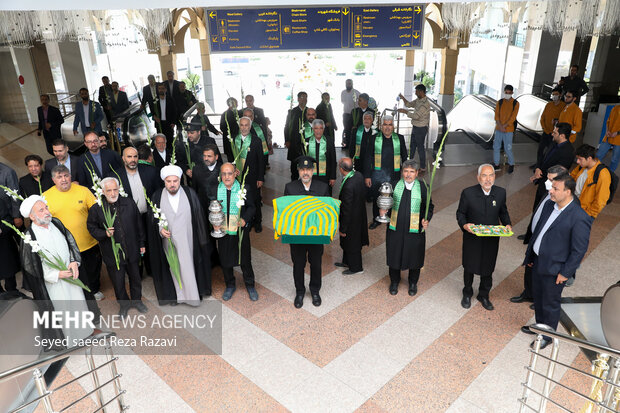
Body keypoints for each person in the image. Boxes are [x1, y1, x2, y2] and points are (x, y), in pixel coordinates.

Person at [522, 174, 591, 349]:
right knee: (538, 298)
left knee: (550, 303)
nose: (550, 191)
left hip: (555, 269)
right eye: (551, 187)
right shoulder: (549, 206)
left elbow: (579, 250)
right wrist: (531, 256)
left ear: (568, 192)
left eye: (555, 189)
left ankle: (547, 335)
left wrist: (565, 273)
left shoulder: (579, 217)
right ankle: (540, 327)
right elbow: (539, 233)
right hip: (538, 262)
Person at [19, 195, 95, 344]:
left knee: (79, 305)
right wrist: (56, 274)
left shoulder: (56, 223)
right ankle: (71, 340)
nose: (47, 212)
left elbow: (71, 243)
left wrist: (74, 262)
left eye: (46, 207)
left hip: (71, 275)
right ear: (32, 217)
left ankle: (86, 332)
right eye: (41, 210)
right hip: (54, 283)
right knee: (64, 310)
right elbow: (32, 267)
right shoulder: (29, 237)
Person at [146, 165, 212, 305]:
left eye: (175, 181)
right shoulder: (157, 196)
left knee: (189, 266)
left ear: (180, 180)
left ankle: (192, 296)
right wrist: (160, 230)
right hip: (168, 242)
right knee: (173, 266)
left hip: (188, 240)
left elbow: (199, 217)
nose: (172, 184)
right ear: (164, 181)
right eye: (169, 181)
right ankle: (178, 295)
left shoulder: (190, 193)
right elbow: (152, 220)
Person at [87, 177, 147, 317]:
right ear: (102, 191)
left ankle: (137, 301)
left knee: (135, 278)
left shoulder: (129, 202)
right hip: (112, 253)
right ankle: (124, 305)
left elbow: (139, 224)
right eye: (109, 190)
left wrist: (142, 243)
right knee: (118, 282)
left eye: (115, 189)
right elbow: (91, 227)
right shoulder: (97, 208)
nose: (113, 193)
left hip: (131, 249)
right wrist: (104, 233)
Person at [456, 164, 512, 311]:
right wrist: (464, 225)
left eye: (491, 175)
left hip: (491, 238)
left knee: (488, 267)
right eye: (484, 175)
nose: (488, 179)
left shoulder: (500, 193)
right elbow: (460, 213)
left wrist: (507, 224)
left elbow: (503, 212)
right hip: (472, 237)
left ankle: (484, 295)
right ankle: (467, 292)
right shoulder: (468, 193)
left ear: (495, 176)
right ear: (478, 177)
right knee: (469, 265)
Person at [44, 165, 103, 301]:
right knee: (74, 271)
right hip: (65, 246)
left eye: (66, 176)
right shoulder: (46, 196)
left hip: (88, 241)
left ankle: (94, 290)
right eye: (59, 177)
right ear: (53, 180)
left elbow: (96, 213)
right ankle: (81, 293)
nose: (63, 179)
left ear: (70, 176)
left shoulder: (83, 191)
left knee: (93, 268)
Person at [511, 165, 568, 304]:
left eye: (551, 180)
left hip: (548, 248)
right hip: (535, 239)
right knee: (530, 270)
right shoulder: (548, 193)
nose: (548, 183)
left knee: (542, 275)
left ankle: (539, 300)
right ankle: (528, 294)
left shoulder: (566, 203)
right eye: (547, 179)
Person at [284, 156, 330, 308]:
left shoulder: (323, 187)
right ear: (298, 170)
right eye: (302, 169)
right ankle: (299, 292)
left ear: (313, 171)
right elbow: (285, 213)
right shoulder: (290, 187)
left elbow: (328, 212)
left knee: (316, 263)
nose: (305, 172)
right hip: (297, 235)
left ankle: (315, 291)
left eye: (308, 169)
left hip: (316, 235)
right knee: (298, 264)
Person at [383, 160, 433, 295]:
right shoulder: (393, 185)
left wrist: (426, 219)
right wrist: (383, 211)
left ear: (417, 173)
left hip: (415, 230)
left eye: (411, 171)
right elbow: (384, 202)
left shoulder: (424, 187)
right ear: (402, 172)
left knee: (414, 256)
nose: (408, 174)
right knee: (394, 254)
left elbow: (430, 207)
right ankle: (394, 281)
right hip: (395, 229)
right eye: (405, 171)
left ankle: (412, 283)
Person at [212, 163, 258, 301]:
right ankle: (230, 285)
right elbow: (210, 210)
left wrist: (244, 219)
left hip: (240, 231)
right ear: (220, 175)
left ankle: (250, 285)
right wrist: (214, 224)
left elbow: (252, 207)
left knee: (245, 259)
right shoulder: (215, 190)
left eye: (229, 173)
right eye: (224, 174)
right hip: (223, 231)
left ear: (235, 174)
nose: (227, 177)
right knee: (225, 260)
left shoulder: (244, 188)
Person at [114, 146, 161, 278]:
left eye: (135, 156)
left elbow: (158, 192)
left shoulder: (151, 171)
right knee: (133, 244)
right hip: (129, 218)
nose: (133, 160)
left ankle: (152, 270)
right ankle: (137, 273)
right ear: (123, 158)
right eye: (129, 157)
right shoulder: (116, 176)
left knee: (151, 243)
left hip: (149, 215)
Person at [527, 122, 576, 227]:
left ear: (562, 136)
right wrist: (538, 169)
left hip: (551, 186)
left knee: (544, 210)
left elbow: (558, 173)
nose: (552, 134)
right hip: (542, 182)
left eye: (555, 132)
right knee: (537, 208)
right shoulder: (554, 143)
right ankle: (531, 232)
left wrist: (541, 174)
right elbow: (543, 158)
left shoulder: (568, 152)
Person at [363, 115, 408, 230]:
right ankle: (376, 219)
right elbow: (368, 158)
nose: (387, 127)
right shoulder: (374, 139)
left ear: (393, 126)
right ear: (381, 126)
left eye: (390, 124)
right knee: (377, 198)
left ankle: (391, 219)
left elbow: (405, 158)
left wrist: (406, 174)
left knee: (394, 197)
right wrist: (367, 176)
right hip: (377, 175)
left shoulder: (400, 138)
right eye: (385, 124)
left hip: (394, 174)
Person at [336, 157, 368, 275]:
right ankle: (346, 262)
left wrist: (343, 228)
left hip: (351, 220)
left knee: (352, 243)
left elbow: (346, 209)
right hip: (359, 214)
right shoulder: (358, 175)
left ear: (341, 168)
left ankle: (356, 268)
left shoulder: (348, 186)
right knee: (347, 242)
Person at [234, 117, 265, 232]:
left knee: (255, 200)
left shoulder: (256, 140)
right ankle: (246, 220)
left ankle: (258, 222)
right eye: (242, 125)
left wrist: (260, 178)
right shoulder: (234, 140)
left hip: (253, 177)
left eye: (246, 125)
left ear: (250, 126)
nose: (244, 127)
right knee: (242, 200)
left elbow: (261, 160)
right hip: (238, 177)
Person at [570, 144, 612, 219]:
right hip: (573, 204)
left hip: (585, 212)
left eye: (580, 159)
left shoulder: (603, 174)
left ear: (589, 158)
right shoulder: (582, 167)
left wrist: (589, 214)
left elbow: (601, 199)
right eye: (577, 159)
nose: (577, 162)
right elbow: (571, 178)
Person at [398, 84, 431, 171]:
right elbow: (409, 104)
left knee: (420, 148)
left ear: (421, 92)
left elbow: (416, 116)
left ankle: (423, 167)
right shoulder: (418, 100)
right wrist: (402, 98)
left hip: (421, 129)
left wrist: (405, 112)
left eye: (416, 92)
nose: (415, 93)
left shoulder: (425, 104)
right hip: (416, 127)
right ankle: (410, 163)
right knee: (412, 146)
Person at [0, 162, 21, 294]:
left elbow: (14, 196)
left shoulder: (7, 171)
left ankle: (12, 290)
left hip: (8, 220)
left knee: (10, 257)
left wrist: (16, 215)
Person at [306, 119, 337, 195]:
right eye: (316, 128)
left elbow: (333, 160)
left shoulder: (329, 140)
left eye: (321, 128)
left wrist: (333, 177)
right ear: (312, 129)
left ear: (323, 129)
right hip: (311, 175)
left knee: (326, 195)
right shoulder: (307, 141)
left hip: (326, 175)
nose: (318, 131)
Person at [493, 85, 519, 173]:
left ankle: (511, 164)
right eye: (506, 92)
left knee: (508, 148)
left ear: (512, 93)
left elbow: (513, 117)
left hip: (508, 130)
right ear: (504, 92)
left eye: (509, 93)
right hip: (499, 129)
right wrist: (500, 126)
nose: (507, 94)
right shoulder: (500, 102)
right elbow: (496, 115)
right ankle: (496, 164)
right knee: (496, 147)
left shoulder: (515, 103)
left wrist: (504, 126)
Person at [536, 88, 566, 166]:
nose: (554, 96)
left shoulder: (563, 106)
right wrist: (544, 127)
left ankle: (546, 166)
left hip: (555, 134)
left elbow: (562, 120)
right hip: (546, 132)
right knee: (540, 150)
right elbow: (543, 117)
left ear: (560, 95)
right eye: (553, 94)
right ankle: (538, 165)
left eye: (556, 94)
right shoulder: (549, 104)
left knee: (550, 151)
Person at [284, 91, 309, 180]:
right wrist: (287, 140)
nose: (304, 99)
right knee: (294, 163)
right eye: (302, 97)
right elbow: (287, 126)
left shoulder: (309, 111)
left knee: (306, 162)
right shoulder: (292, 112)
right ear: (298, 99)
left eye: (306, 97)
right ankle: (294, 180)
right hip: (294, 141)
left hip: (307, 142)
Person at [193, 144, 221, 210]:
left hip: (219, 206)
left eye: (209, 156)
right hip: (202, 206)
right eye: (204, 156)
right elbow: (195, 189)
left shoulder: (223, 169)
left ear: (216, 157)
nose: (206, 159)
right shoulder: (196, 169)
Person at [596, 104, 620, 172]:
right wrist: (607, 131)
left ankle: (610, 174)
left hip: (618, 139)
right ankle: (593, 170)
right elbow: (608, 121)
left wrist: (617, 133)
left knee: (614, 159)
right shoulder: (615, 108)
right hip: (608, 136)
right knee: (599, 154)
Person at [153, 83, 177, 149]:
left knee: (169, 142)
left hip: (169, 124)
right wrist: (154, 117)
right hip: (159, 124)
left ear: (165, 90)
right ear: (157, 90)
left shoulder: (170, 99)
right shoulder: (155, 100)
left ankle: (170, 156)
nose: (161, 90)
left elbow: (174, 111)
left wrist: (173, 122)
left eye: (163, 88)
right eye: (159, 89)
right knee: (160, 142)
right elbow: (152, 112)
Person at [220, 97, 243, 162]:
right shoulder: (224, 114)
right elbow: (222, 127)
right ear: (230, 104)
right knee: (231, 160)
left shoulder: (240, 113)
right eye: (236, 103)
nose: (237, 105)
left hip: (239, 140)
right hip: (229, 141)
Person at [341, 79, 359, 148]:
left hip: (354, 115)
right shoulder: (343, 92)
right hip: (346, 114)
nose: (348, 84)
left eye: (350, 83)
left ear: (352, 84)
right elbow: (342, 101)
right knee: (346, 130)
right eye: (347, 83)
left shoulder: (356, 92)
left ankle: (353, 145)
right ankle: (346, 144)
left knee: (353, 130)